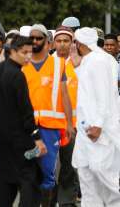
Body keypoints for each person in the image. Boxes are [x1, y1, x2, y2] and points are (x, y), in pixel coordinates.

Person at [0, 35, 46, 207]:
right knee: (29, 179)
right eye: (23, 52)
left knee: (6, 182)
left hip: (0, 138)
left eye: (30, 52)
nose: (28, 56)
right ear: (12, 51)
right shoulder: (17, 75)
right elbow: (26, 111)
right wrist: (37, 138)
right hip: (19, 139)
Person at [22, 24, 75, 207]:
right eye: (32, 38)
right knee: (27, 168)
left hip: (50, 128)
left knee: (47, 171)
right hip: (26, 127)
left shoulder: (58, 64)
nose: (35, 41)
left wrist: (69, 123)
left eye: (39, 38)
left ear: (47, 41)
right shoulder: (22, 63)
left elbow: (65, 95)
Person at [71, 27, 120, 206]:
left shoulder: (98, 61)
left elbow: (104, 95)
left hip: (99, 132)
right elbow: (86, 93)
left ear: (79, 43)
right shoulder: (90, 60)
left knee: (106, 180)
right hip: (86, 130)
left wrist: (98, 124)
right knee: (87, 180)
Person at [53, 26, 80, 207]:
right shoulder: (48, 63)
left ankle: (67, 201)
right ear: (53, 43)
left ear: (72, 43)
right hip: (50, 124)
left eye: (66, 41)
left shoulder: (79, 64)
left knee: (69, 166)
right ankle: (49, 198)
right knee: (50, 168)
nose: (62, 44)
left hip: (74, 125)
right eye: (59, 40)